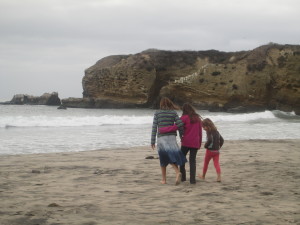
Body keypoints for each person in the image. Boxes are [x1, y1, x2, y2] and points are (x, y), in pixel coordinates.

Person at [159, 103, 202, 184]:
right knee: (192, 161)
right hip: (195, 143)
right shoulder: (197, 118)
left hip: (186, 142)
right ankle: (192, 180)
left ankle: (183, 178)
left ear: (184, 110)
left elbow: (175, 127)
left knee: (181, 160)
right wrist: (199, 143)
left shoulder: (184, 118)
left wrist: (163, 130)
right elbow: (200, 132)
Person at [151, 97, 186, 185]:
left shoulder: (157, 113)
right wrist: (181, 135)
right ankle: (176, 175)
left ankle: (166, 178)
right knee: (173, 154)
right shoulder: (173, 113)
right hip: (172, 137)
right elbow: (180, 124)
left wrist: (152, 141)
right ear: (169, 103)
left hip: (162, 138)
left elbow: (154, 127)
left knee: (163, 157)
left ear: (161, 104)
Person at [199, 118, 224, 182]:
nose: (203, 128)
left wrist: (205, 146)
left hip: (209, 151)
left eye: (204, 127)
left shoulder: (209, 132)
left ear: (207, 126)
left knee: (206, 163)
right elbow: (222, 140)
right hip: (216, 151)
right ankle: (219, 176)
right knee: (216, 163)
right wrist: (219, 147)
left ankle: (203, 176)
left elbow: (209, 140)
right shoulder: (217, 132)